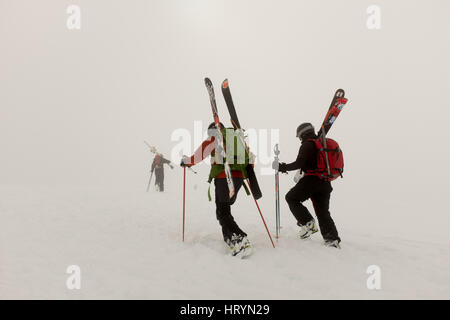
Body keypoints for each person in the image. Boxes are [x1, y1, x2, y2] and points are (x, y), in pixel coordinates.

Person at [180, 122, 251, 257]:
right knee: (224, 210)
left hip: (223, 177)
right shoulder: (237, 139)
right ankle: (230, 237)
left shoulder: (214, 139)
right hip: (238, 178)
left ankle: (240, 237)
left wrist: (186, 161)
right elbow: (249, 157)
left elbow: (199, 155)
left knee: (222, 211)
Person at [273, 123, 341, 248]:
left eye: (299, 136)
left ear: (302, 134)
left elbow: (299, 163)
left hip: (311, 180)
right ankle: (332, 239)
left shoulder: (307, 145)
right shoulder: (321, 144)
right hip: (325, 182)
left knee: (291, 198)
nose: (299, 139)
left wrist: (282, 167)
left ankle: (307, 223)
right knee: (323, 212)